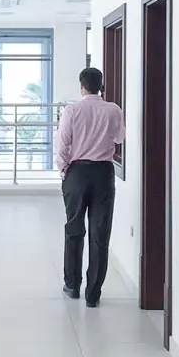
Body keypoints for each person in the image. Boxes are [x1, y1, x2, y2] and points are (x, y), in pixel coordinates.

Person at [54, 66, 125, 307]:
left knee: (74, 229)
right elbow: (119, 138)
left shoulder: (72, 110)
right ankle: (93, 294)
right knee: (100, 234)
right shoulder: (113, 109)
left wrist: (64, 169)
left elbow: (62, 144)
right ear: (101, 86)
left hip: (77, 172)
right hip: (103, 173)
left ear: (82, 86)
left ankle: (72, 285)